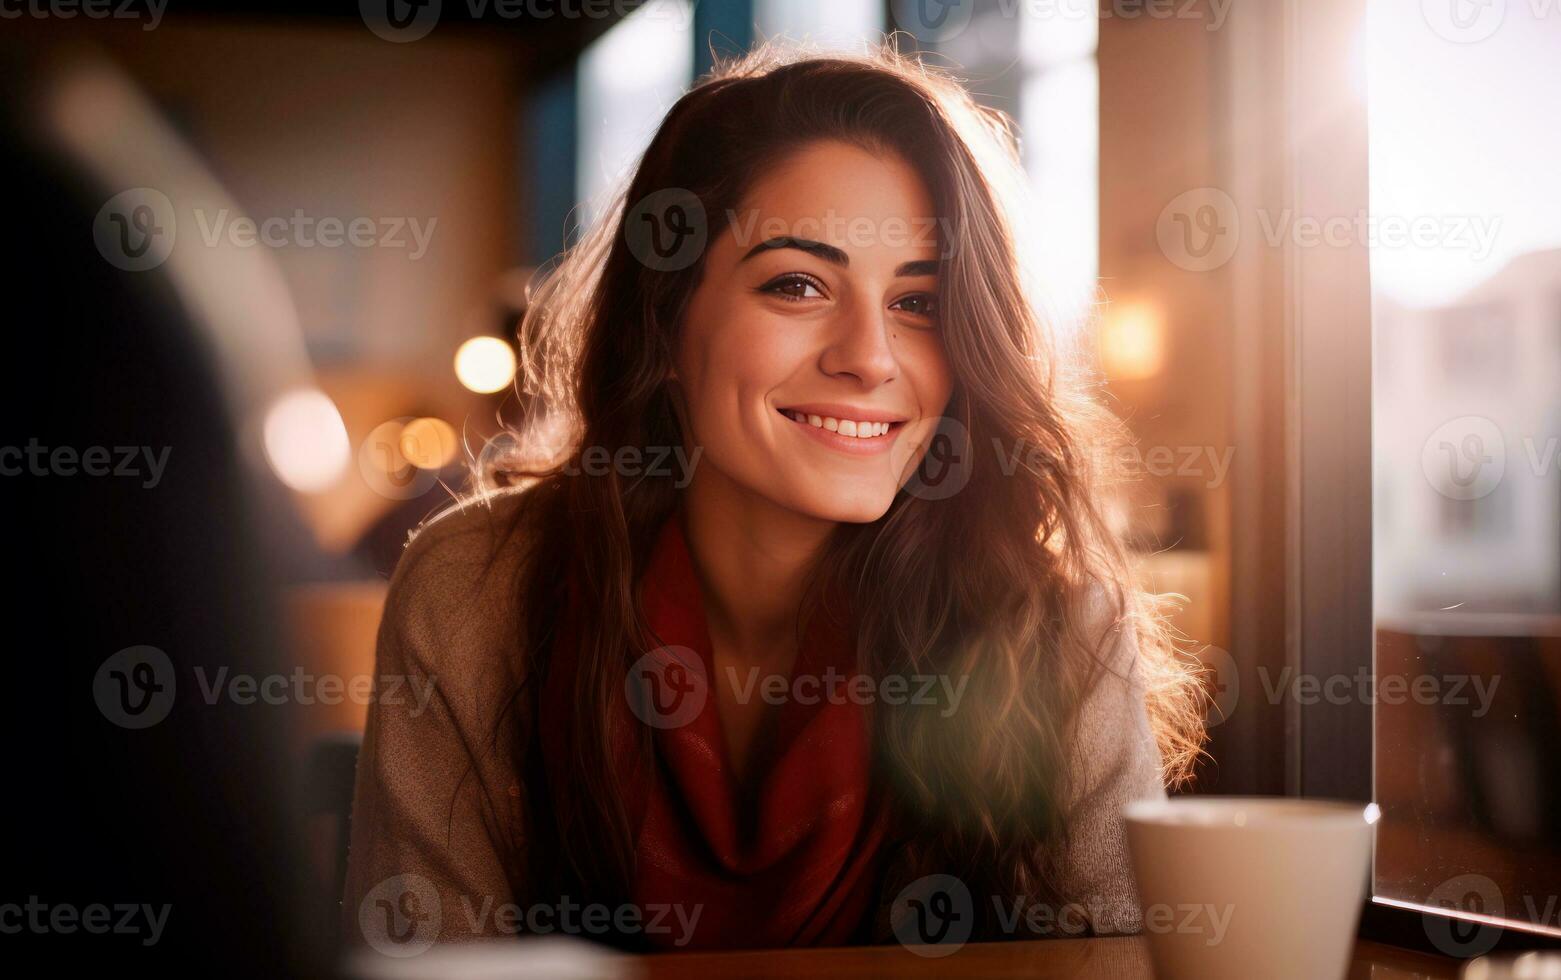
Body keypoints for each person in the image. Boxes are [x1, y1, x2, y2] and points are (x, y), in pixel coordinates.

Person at [341, 44, 1205, 955]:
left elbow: (1109, 964)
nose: (869, 357)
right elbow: (426, 970)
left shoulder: (1050, 625)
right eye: (797, 285)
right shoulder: (476, 590)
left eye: (918, 302)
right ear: (664, 323)